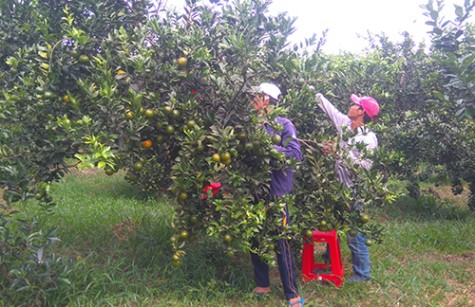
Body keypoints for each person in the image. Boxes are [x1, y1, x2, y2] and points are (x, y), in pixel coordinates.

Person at [315, 92, 380, 283]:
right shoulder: (345, 124)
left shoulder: (368, 138)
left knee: (355, 234)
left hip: (353, 193)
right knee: (333, 224)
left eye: (355, 105)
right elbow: (330, 109)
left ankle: (362, 274)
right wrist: (310, 90)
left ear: (361, 112)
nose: (350, 106)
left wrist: (339, 153)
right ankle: (330, 258)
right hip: (339, 189)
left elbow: (365, 167)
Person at [250, 83, 304, 307]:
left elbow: (295, 154)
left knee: (282, 242)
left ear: (266, 100)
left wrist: (268, 148)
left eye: (255, 96)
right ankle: (262, 283)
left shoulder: (284, 124)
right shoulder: (252, 125)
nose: (252, 100)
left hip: (276, 193)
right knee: (255, 238)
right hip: (255, 192)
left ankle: (292, 293)